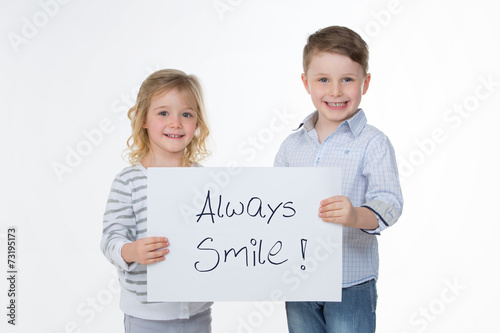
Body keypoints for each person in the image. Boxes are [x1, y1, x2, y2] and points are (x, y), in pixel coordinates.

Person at [274, 26, 403, 333]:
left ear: (365, 82)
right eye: (323, 80)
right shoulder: (291, 146)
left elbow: (390, 202)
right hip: (300, 280)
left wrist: (355, 214)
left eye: (347, 79)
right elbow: (274, 206)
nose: (335, 91)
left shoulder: (374, 143)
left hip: (351, 282)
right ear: (306, 83)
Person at [100, 69, 213, 332]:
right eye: (163, 113)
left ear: (197, 123)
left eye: (186, 114)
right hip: (146, 317)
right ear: (143, 120)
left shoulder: (207, 181)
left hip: (197, 313)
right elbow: (111, 238)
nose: (175, 123)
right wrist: (131, 251)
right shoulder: (129, 181)